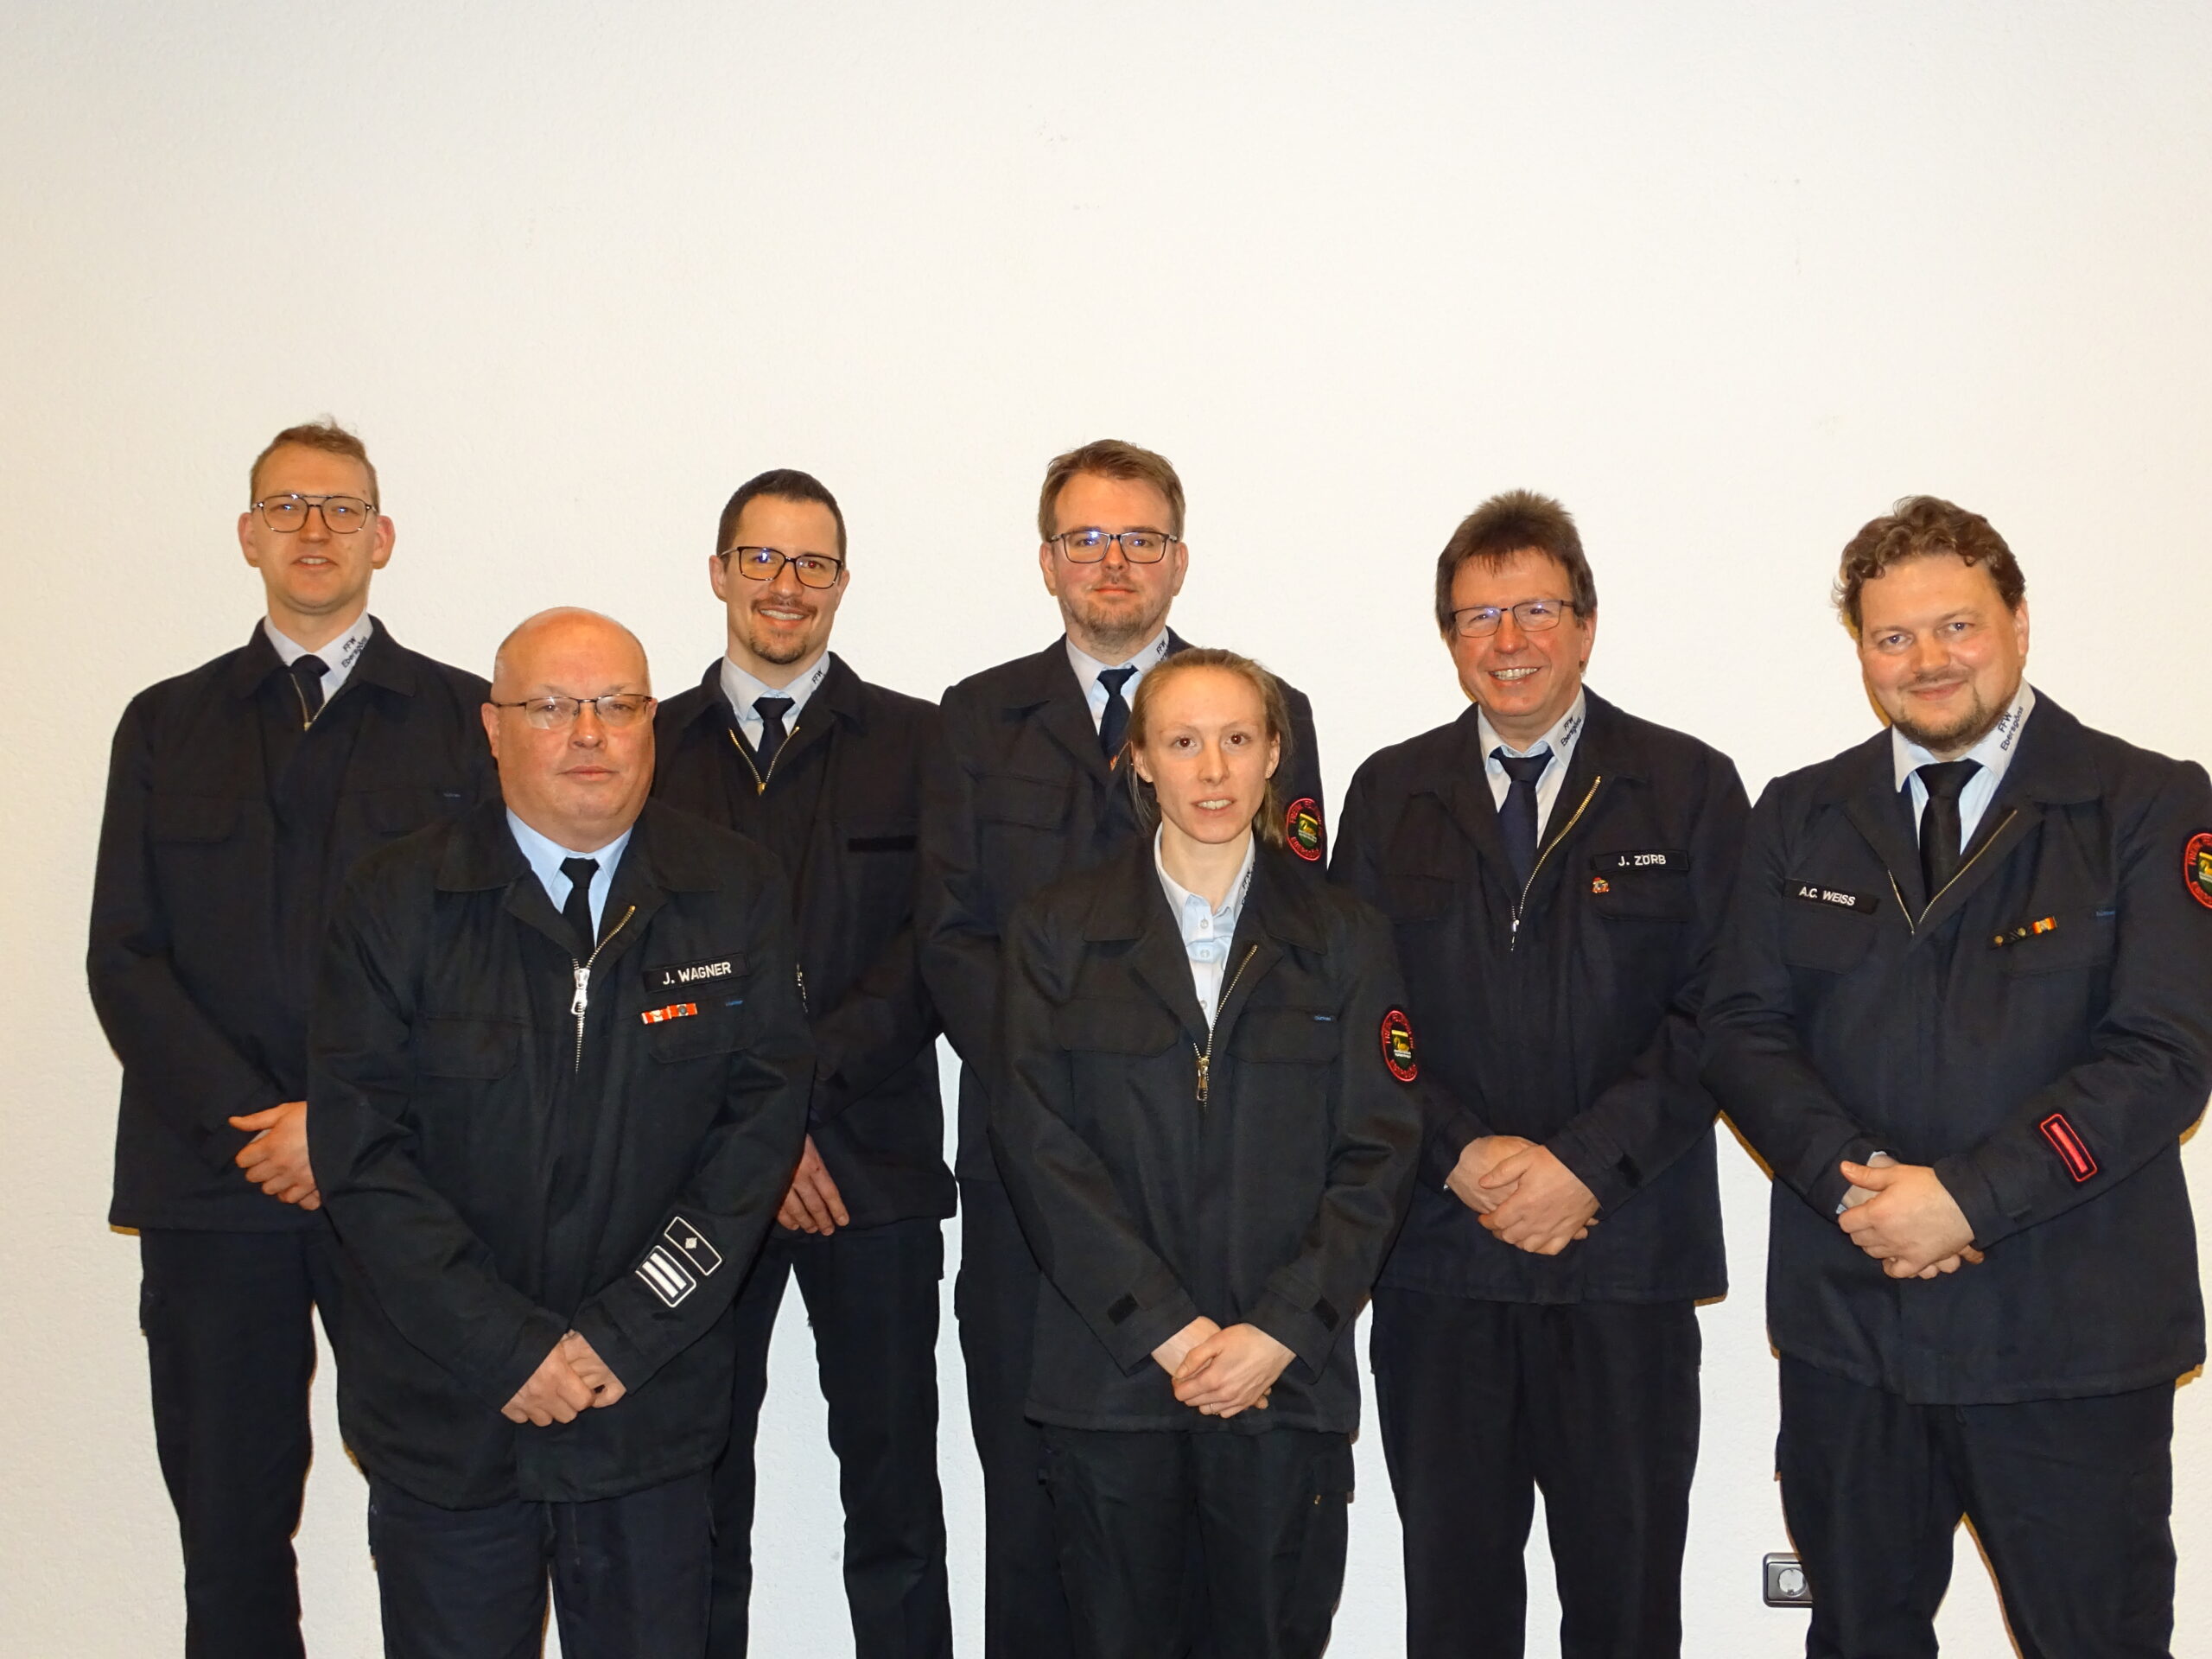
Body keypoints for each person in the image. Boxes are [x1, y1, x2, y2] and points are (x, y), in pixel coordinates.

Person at [1702, 496, 2212, 1658]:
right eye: (1893, 636)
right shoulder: (1799, 814)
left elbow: (2163, 1054)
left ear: (2018, 624)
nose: (1927, 660)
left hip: (2068, 1338)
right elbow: (1740, 1029)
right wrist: (1859, 1186)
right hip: (1853, 1331)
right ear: (1862, 651)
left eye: (1957, 626)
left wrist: (1965, 1200)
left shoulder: (2145, 804)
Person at [308, 608, 813, 1657]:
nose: (589, 733)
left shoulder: (734, 891)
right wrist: (507, 1347)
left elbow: (752, 1145)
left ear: (651, 725)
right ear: (494, 728)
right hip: (450, 1412)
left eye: (617, 706)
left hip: (647, 1412)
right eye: (551, 707)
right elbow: (363, 1155)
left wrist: (622, 1335)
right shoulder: (395, 898)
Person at [86, 421, 493, 1658]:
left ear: (383, 537)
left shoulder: (464, 721)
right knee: (228, 1524)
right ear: (249, 535)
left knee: (443, 1504)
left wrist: (342, 1127)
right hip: (214, 1188)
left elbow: (484, 967)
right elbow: (125, 956)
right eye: (288, 507)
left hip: (406, 1183)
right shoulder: (165, 724)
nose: (314, 530)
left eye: (341, 508)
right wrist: (255, 1128)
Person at [918, 438, 1330, 1655]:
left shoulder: (1261, 708)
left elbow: (1300, 931)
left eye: (1140, 539)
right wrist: (1060, 1100)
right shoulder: (976, 718)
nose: (1114, 562)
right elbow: (950, 940)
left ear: (1179, 559)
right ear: (1047, 560)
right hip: (1036, 1190)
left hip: (1232, 1192)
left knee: (1232, 1521)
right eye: (1087, 539)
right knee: (1039, 1506)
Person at [1332, 490, 1747, 1657]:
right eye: (1478, 617)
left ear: (1587, 623)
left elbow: (1723, 1013)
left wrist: (1584, 1166)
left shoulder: (1687, 785)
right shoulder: (1391, 793)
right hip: (1441, 1262)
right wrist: (1459, 1153)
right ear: (1447, 635)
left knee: (1626, 1606)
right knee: (1454, 1607)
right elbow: (1355, 1018)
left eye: (1535, 611)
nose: (1507, 641)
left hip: (1624, 1262)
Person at [990, 649, 1420, 1657]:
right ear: (1139, 760)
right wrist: (1168, 1331)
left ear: (1275, 755)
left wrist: (1276, 1332)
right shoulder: (1055, 933)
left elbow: (1379, 1152)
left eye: (1236, 740)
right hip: (1111, 1384)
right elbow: (1037, 1145)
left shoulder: (1344, 936)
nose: (1213, 770)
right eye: (1183, 742)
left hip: (1282, 1387)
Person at [652, 469, 953, 1658]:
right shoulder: (648, 746)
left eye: (813, 563)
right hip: (693, 1179)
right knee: (695, 1493)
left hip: (871, 1169)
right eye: (762, 559)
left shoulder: (922, 744)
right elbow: (636, 967)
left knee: (895, 1498)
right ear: (719, 572)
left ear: (842, 582)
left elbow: (936, 949)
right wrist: (758, 1133)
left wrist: (796, 1109)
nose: (787, 585)